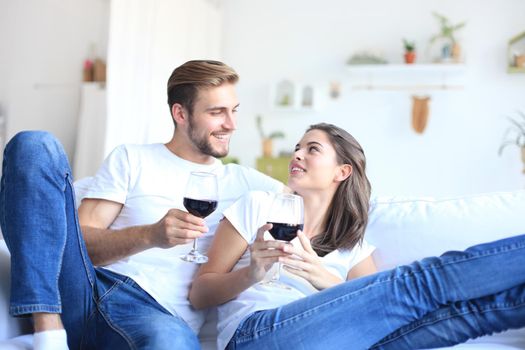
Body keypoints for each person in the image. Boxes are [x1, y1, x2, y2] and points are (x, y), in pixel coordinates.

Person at [0, 60, 284, 349]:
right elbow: (79, 240)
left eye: (233, 111)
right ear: (180, 113)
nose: (231, 124)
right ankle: (47, 331)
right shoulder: (131, 159)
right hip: (87, 289)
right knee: (34, 145)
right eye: (216, 112)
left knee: (170, 343)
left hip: (158, 316)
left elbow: (314, 202)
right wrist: (151, 235)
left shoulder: (247, 183)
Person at [189, 123, 525, 350]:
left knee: (471, 316)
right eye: (297, 148)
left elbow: (375, 310)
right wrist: (251, 274)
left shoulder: (354, 246)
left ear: (342, 171)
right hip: (257, 336)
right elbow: (200, 294)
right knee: (418, 285)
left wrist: (322, 276)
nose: (297, 154)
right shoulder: (259, 205)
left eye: (312, 149)